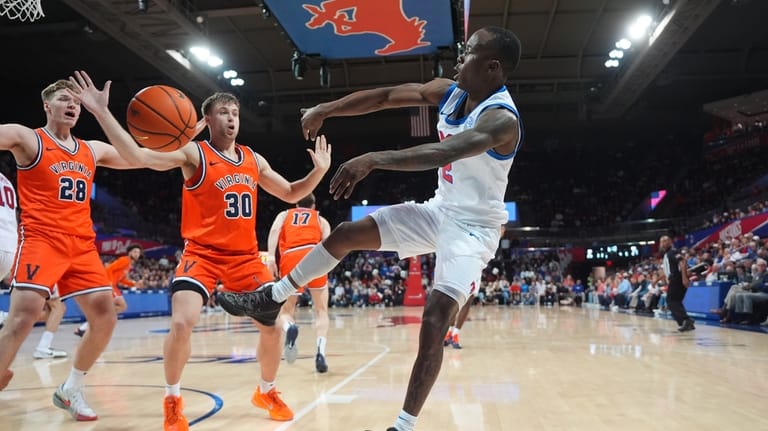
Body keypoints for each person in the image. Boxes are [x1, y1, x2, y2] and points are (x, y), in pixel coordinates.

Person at [217, 26, 522, 431]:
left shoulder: (502, 120)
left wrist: (373, 159)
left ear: (493, 67)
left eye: (468, 54)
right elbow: (386, 96)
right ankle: (273, 297)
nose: (459, 59)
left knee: (435, 318)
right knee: (346, 233)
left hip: (474, 229)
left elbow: (444, 151)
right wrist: (326, 108)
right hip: (441, 209)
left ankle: (403, 426)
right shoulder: (450, 92)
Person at [68, 70, 331, 431]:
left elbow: (289, 192)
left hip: (244, 259)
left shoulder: (253, 159)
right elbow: (139, 155)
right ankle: (172, 399)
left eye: (235, 113)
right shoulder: (194, 153)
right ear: (207, 119)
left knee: (271, 328)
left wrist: (319, 172)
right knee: (181, 322)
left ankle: (266, 391)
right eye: (223, 113)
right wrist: (101, 111)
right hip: (201, 255)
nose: (231, 119)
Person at [0, 79, 142, 421]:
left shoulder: (92, 149)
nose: (72, 105)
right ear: (47, 105)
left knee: (106, 316)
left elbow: (136, 158)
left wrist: (102, 112)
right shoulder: (28, 138)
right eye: (64, 99)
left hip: (81, 245)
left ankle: (71, 389)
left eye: (76, 102)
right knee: (24, 315)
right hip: (41, 239)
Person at [267, 192, 332, 372]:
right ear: (313, 205)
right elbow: (329, 244)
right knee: (321, 310)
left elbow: (274, 231)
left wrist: (271, 257)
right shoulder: (321, 220)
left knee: (286, 310)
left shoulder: (285, 215)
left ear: (296, 204)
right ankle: (320, 352)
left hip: (291, 256)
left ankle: (290, 328)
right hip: (315, 255)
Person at [74, 244, 140, 337]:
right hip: (108, 284)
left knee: (113, 309)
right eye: (135, 252)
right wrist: (108, 284)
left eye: (138, 252)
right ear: (129, 253)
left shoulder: (129, 265)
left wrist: (133, 284)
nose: (137, 254)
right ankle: (90, 325)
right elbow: (109, 268)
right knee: (122, 306)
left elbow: (121, 279)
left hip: (112, 285)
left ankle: (84, 327)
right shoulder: (124, 260)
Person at [659, 235, 695, 332]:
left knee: (671, 301)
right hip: (674, 278)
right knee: (676, 301)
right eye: (661, 241)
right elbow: (667, 270)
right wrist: (656, 280)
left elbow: (682, 261)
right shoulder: (667, 254)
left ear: (670, 242)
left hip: (677, 278)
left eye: (665, 241)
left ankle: (686, 320)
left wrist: (684, 278)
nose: (663, 243)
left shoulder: (673, 251)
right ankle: (687, 322)